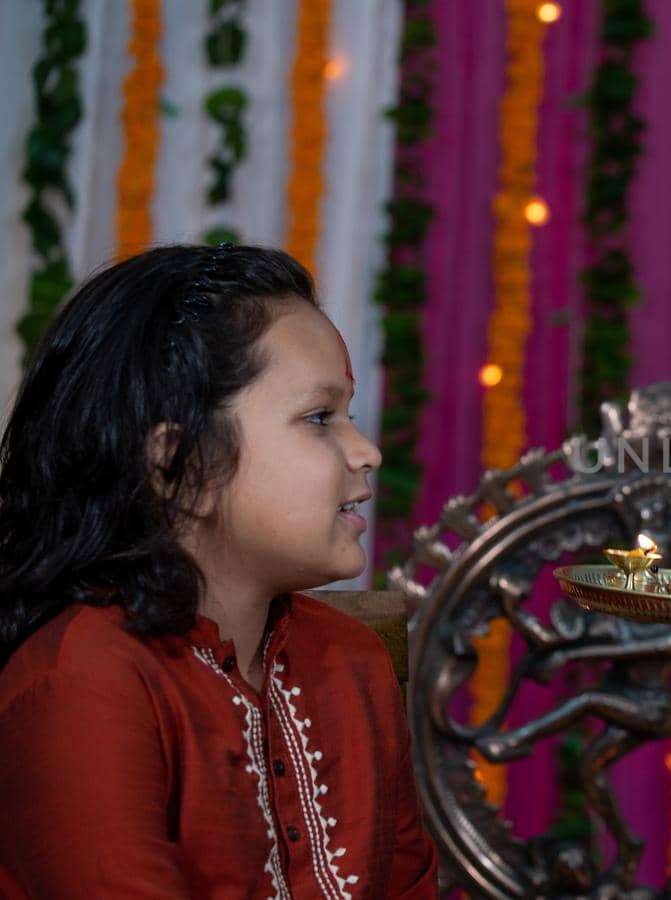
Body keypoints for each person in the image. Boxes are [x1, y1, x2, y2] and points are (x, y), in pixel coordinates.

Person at [0, 245, 439, 898]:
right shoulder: (85, 678)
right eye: (320, 418)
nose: (366, 451)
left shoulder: (353, 663)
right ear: (182, 465)